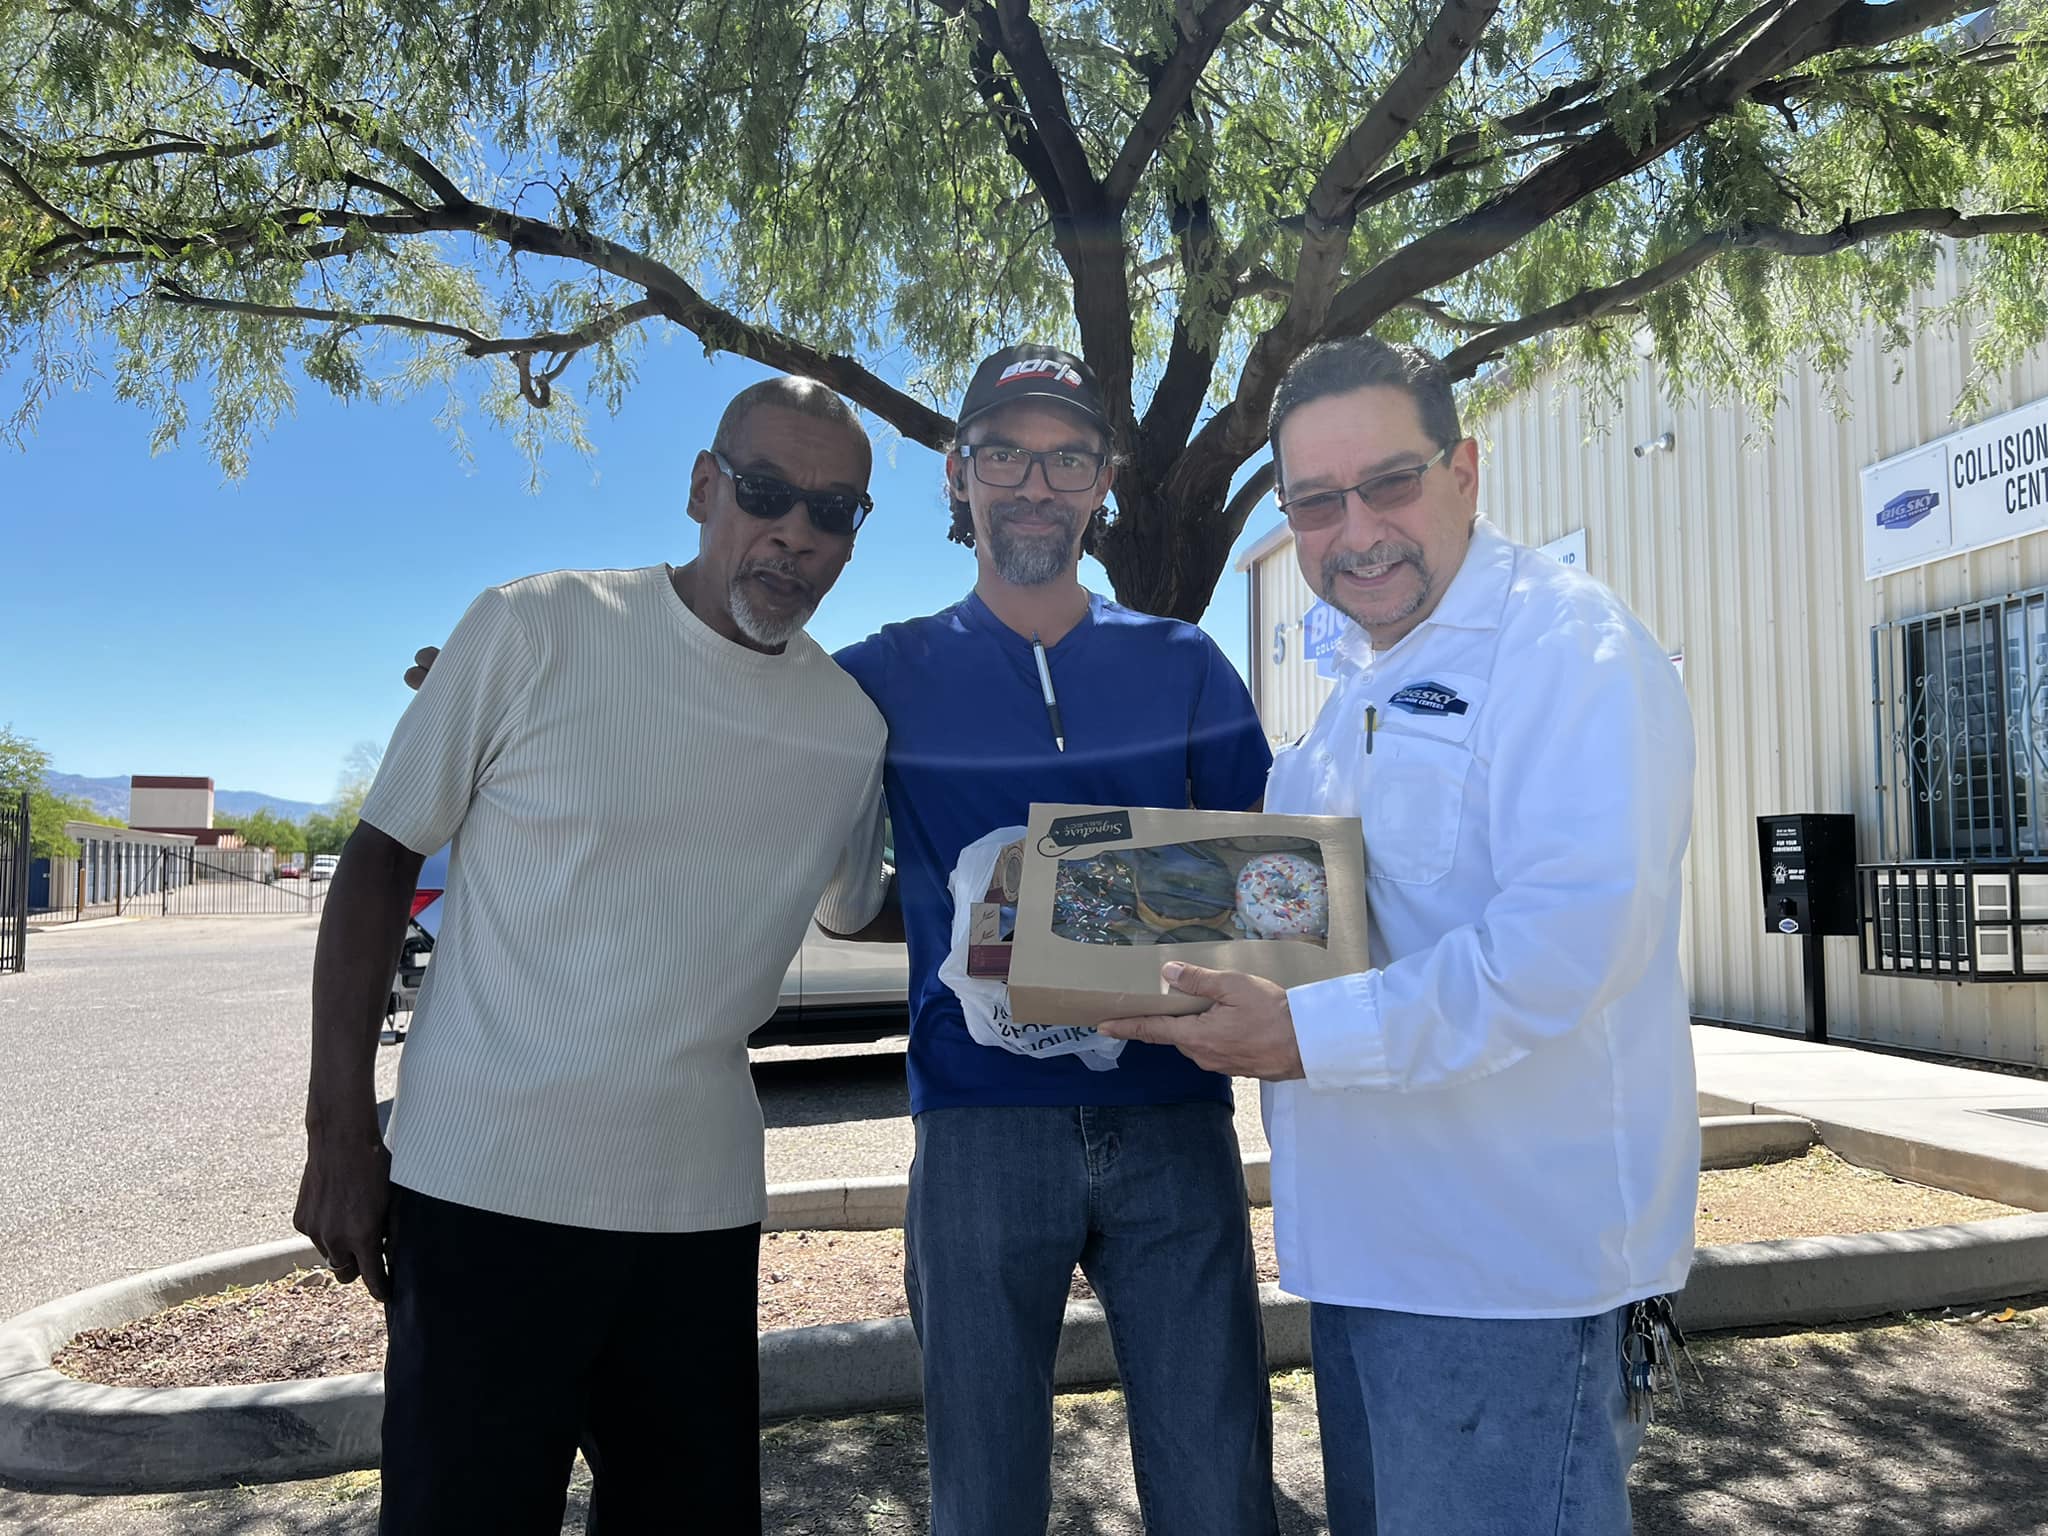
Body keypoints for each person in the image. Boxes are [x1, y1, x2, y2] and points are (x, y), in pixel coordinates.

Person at [1101, 336, 1699, 1535]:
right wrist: (1087, 922)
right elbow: (1299, 918)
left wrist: (1302, 1034)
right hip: (1366, 1261)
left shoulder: (1564, 649)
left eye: (1388, 482)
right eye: (1315, 502)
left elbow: (1566, 943)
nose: (1356, 529)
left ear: (1463, 472)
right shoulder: (1350, 701)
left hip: (1505, 1275)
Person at [297, 376, 888, 1535]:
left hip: (698, 1215)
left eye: (833, 511)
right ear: (703, 488)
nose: (795, 533)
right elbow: (377, 862)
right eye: (765, 492)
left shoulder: (847, 729)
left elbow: (862, 909)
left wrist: (1063, 918)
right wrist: (338, 1134)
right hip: (480, 1194)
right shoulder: (532, 626)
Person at [820, 344, 1280, 1535]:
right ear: (956, 473)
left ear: (1103, 482)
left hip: (1172, 1116)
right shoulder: (875, 676)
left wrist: (1074, 915)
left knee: (1217, 1485)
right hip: (977, 1130)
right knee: (982, 1496)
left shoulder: (1184, 664)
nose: (1035, 484)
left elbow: (1269, 889)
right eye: (1005, 455)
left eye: (1067, 458)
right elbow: (741, 743)